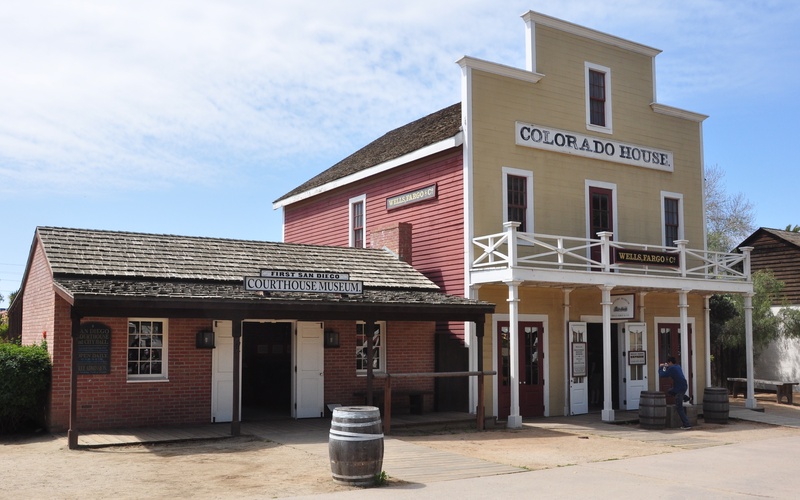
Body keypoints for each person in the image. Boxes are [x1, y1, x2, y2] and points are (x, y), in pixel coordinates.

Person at [659, 356, 691, 429]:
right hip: (683, 386)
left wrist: (661, 367)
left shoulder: (672, 368)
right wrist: (666, 366)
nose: (668, 364)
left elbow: (662, 375)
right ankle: (686, 398)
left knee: (679, 407)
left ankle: (687, 424)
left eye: (668, 363)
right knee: (670, 391)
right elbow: (670, 370)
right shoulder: (677, 366)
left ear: (670, 362)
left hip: (679, 388)